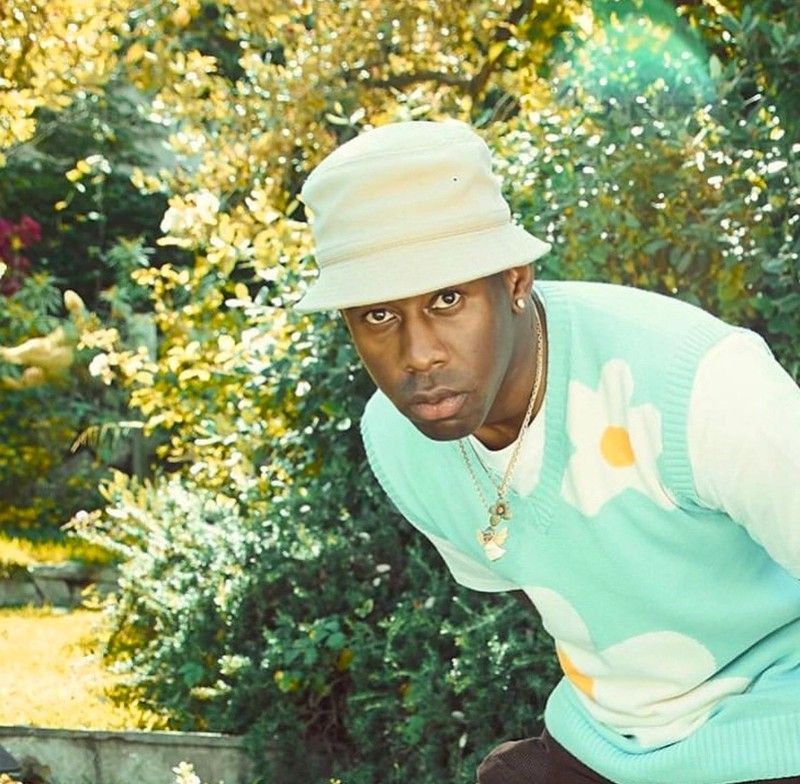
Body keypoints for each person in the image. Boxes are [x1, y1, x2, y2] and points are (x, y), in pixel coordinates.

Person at [294, 120, 800, 784]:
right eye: (379, 315)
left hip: (778, 729)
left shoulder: (699, 382)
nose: (419, 355)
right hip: (608, 745)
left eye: (447, 299)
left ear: (515, 281)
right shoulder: (397, 441)